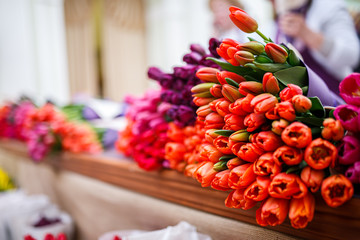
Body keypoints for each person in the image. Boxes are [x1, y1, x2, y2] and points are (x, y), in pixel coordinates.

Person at [271, 0, 360, 96]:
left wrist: (309, 35)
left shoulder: (329, 8)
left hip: (335, 97)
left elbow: (351, 56)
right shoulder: (273, 20)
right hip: (297, 100)